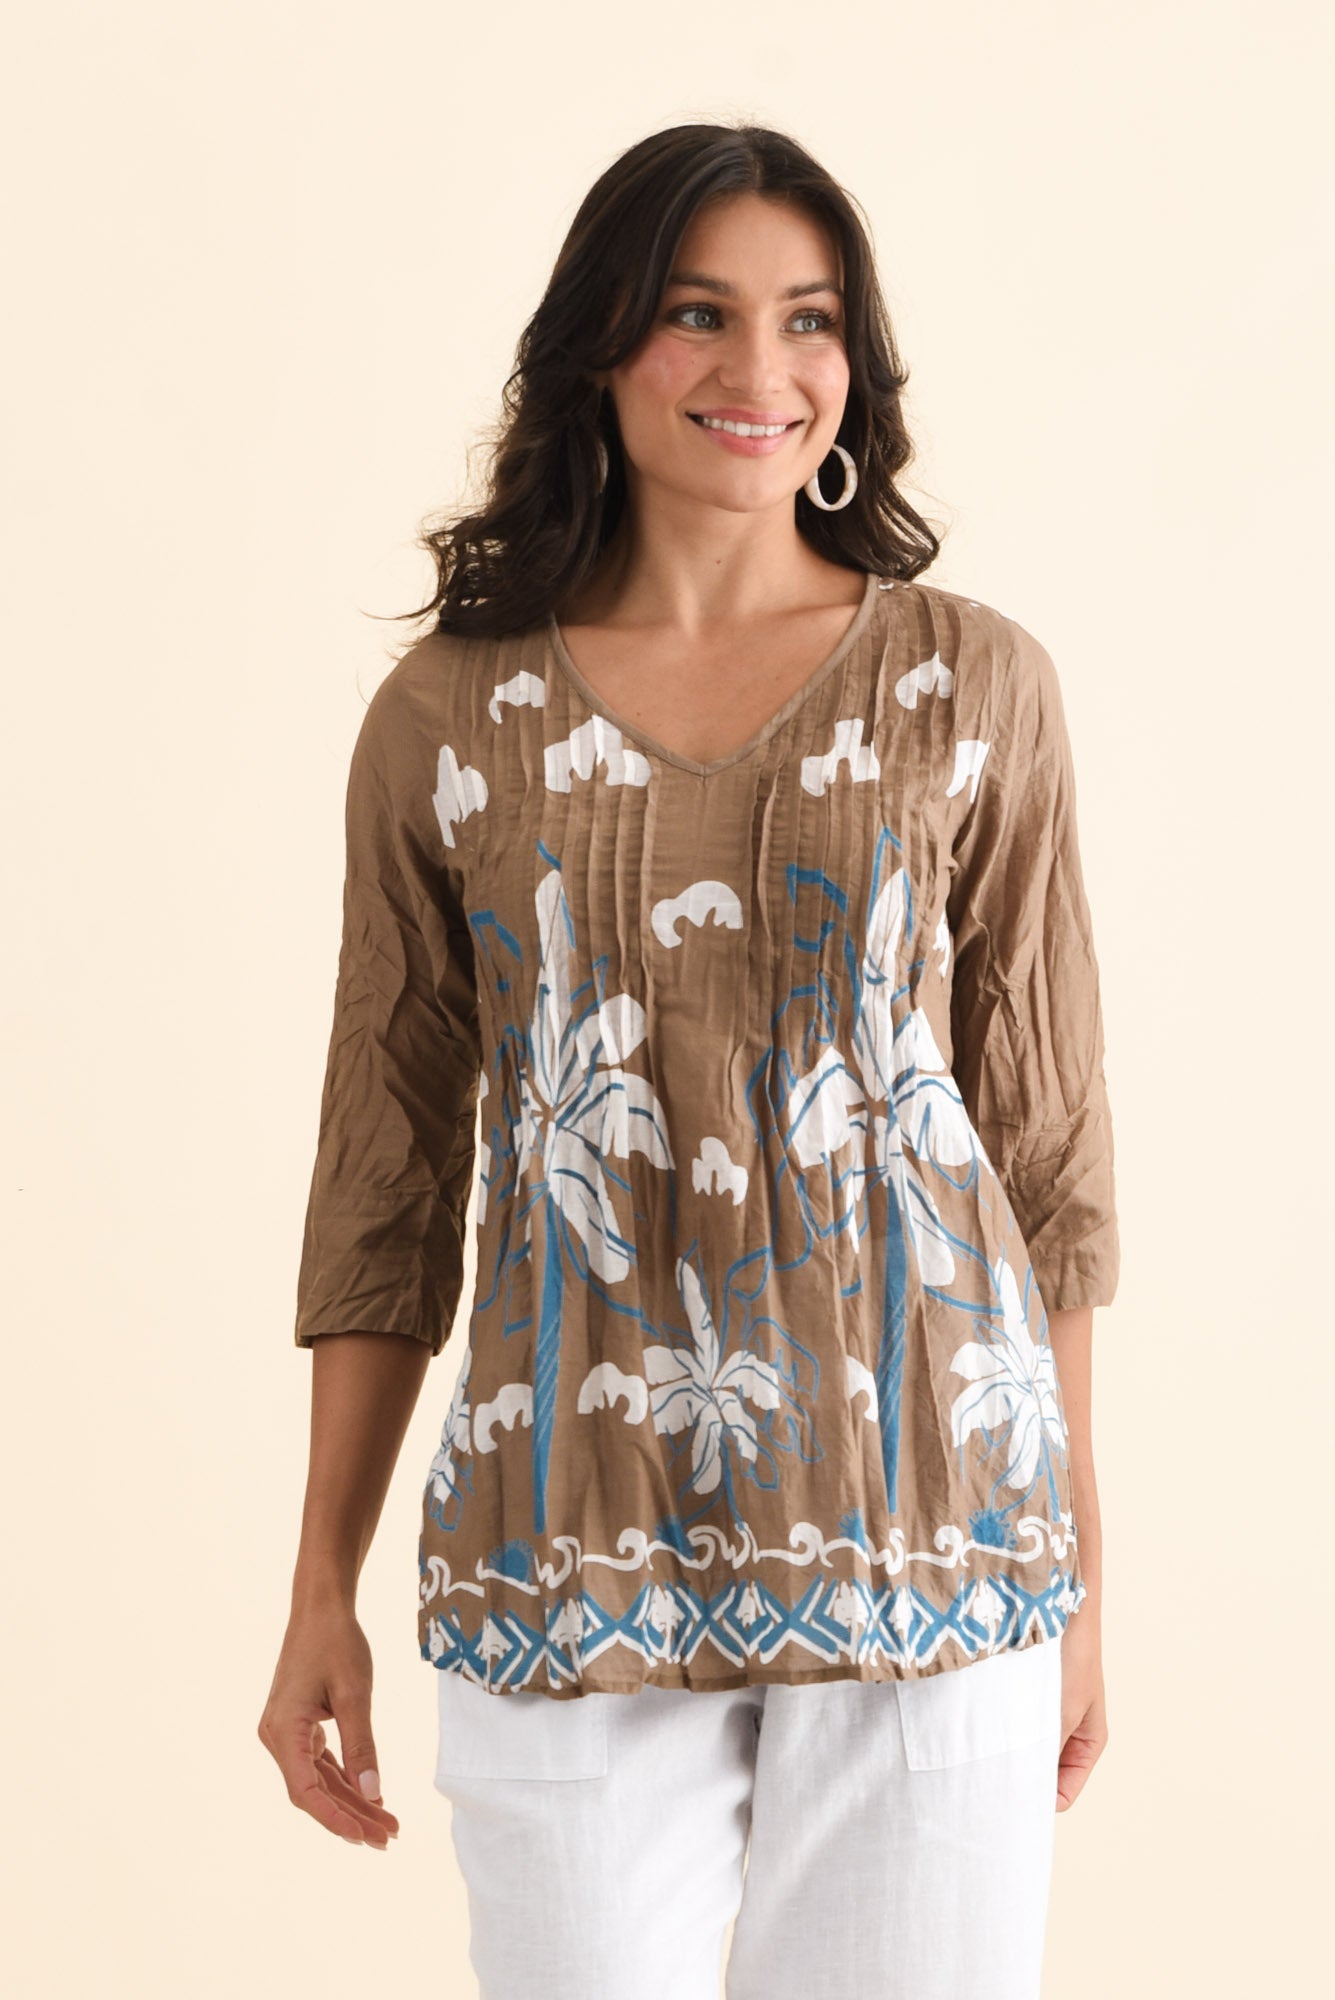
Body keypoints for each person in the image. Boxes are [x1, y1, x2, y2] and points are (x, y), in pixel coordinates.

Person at [259, 120, 1120, 2000]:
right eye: (698, 313)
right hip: (565, 1537)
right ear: (599, 345)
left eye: (809, 320)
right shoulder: (448, 717)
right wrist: (321, 1583)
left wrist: (1077, 1569)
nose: (762, 370)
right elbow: (386, 1173)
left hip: (936, 1536)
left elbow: (1045, 1156)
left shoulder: (976, 685)